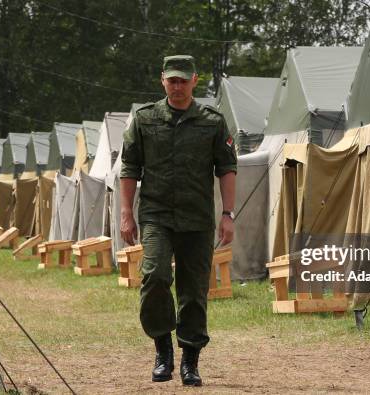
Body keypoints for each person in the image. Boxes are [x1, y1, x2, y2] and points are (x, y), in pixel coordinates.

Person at [119, 55, 237, 387]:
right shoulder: (144, 119)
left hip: (197, 218)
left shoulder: (212, 121)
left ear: (195, 81)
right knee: (154, 278)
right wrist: (126, 214)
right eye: (172, 80)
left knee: (194, 291)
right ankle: (162, 350)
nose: (178, 85)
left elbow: (227, 168)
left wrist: (228, 214)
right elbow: (129, 169)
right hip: (156, 215)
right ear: (162, 81)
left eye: (183, 80)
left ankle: (190, 360)